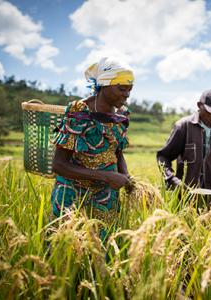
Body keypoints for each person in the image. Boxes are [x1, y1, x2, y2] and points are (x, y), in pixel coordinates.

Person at [50, 57, 134, 240]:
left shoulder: (121, 116)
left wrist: (125, 175)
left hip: (106, 198)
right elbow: (58, 165)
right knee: (65, 252)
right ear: (104, 84)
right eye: (122, 88)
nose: (127, 94)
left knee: (103, 251)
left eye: (130, 89)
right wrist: (106, 176)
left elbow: (117, 153)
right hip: (72, 197)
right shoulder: (79, 113)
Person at [156, 89, 211, 197]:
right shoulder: (183, 126)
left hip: (208, 197)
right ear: (199, 105)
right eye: (209, 112)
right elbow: (163, 156)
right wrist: (173, 180)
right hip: (184, 196)